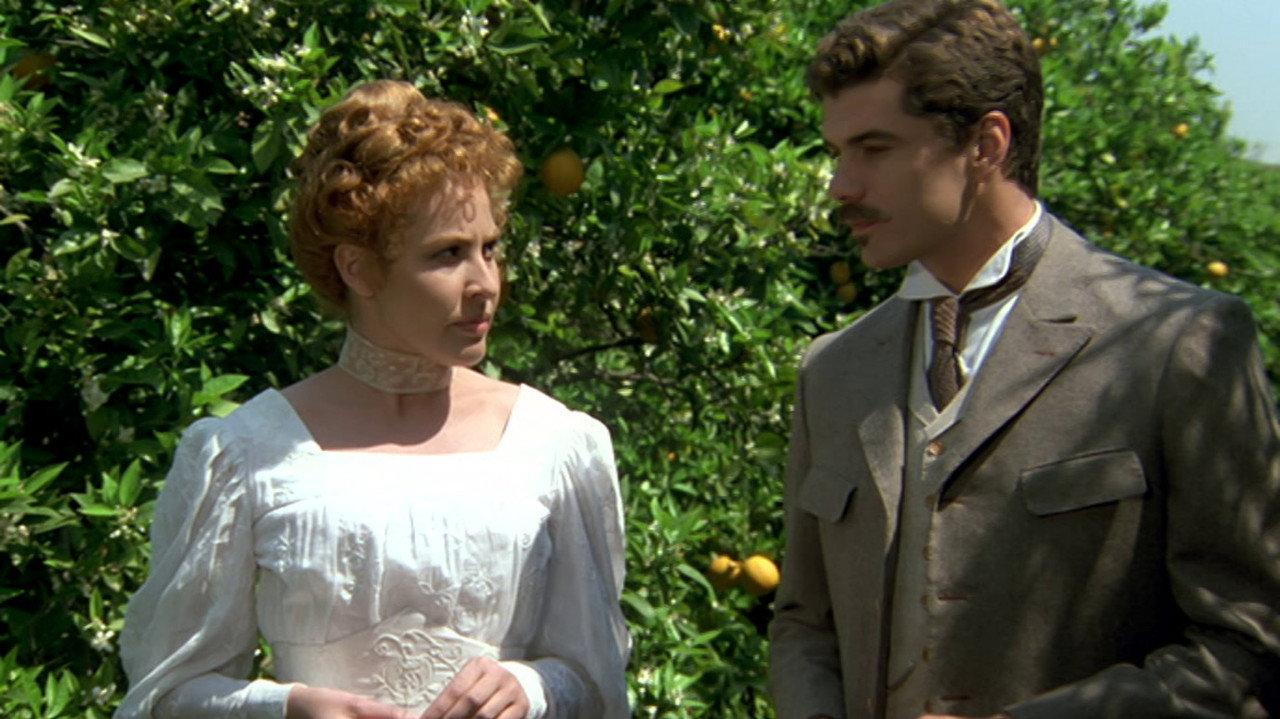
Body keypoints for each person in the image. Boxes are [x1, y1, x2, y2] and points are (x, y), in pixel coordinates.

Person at [767, 1, 1280, 718]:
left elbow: (1248, 646)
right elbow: (803, 625)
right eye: (838, 152)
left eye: (874, 149)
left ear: (987, 144)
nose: (840, 187)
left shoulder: (1179, 342)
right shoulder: (833, 371)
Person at [116, 80, 630, 719]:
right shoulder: (248, 453)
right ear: (357, 268)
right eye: (447, 254)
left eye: (490, 249)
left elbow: (598, 681)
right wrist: (286, 709)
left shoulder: (554, 445)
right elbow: (165, 696)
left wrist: (530, 688)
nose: (485, 283)